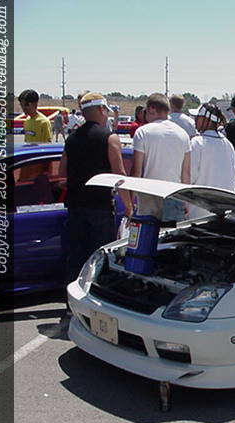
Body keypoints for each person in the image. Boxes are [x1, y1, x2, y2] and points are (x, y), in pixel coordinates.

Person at [59, 92, 132, 297]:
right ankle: (95, 299)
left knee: (75, 258)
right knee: (99, 258)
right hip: (99, 206)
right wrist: (129, 206)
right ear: (101, 110)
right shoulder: (109, 138)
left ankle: (71, 302)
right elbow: (120, 175)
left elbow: (61, 172)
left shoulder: (72, 138)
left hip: (75, 206)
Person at [132, 93, 191, 221]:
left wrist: (132, 200)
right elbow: (186, 173)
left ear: (151, 109)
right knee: (171, 233)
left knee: (148, 232)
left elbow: (136, 171)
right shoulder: (183, 135)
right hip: (174, 194)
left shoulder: (142, 132)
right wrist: (186, 202)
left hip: (149, 194)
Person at [188, 103, 235, 218]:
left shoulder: (197, 143)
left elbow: (190, 177)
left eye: (198, 117)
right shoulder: (228, 144)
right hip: (225, 209)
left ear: (206, 119)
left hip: (200, 209)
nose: (195, 120)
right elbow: (234, 180)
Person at [18, 89, 52, 179]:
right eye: (22, 105)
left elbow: (48, 148)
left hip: (38, 167)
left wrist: (46, 172)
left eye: (26, 105)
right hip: (27, 163)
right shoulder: (27, 121)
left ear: (35, 104)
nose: (23, 108)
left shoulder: (44, 122)